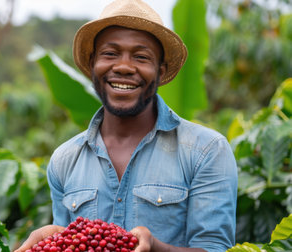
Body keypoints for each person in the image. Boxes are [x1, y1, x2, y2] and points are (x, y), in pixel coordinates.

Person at [15, 0, 238, 251]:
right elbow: (70, 241)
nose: (123, 67)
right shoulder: (65, 160)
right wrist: (52, 239)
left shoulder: (206, 151)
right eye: (110, 54)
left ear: (161, 71)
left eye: (141, 57)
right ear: (92, 65)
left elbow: (215, 247)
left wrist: (154, 247)